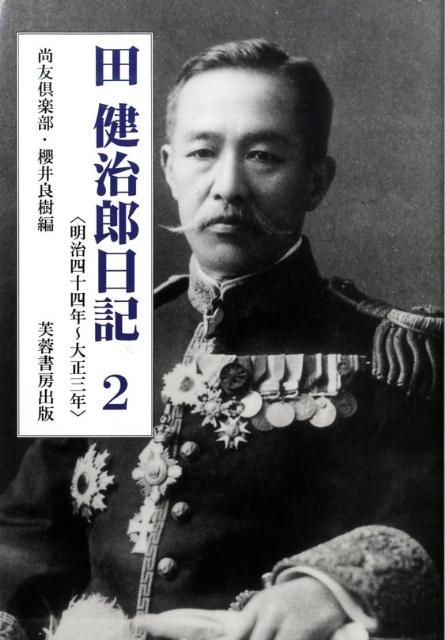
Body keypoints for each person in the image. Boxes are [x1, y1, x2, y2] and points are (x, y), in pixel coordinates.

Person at [0, 39, 442, 640]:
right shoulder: (109, 335)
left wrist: (327, 587)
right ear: (167, 167)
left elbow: (429, 516)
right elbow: (28, 534)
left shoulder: (390, 353)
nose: (228, 185)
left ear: (316, 181)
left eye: (263, 156)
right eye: (203, 152)